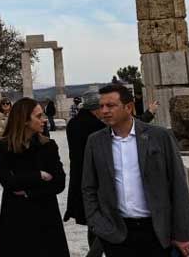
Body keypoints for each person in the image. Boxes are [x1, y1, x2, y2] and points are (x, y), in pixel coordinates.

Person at [82, 84, 189, 257]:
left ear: (129, 107)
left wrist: (181, 234)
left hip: (157, 232)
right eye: (101, 106)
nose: (104, 111)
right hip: (117, 233)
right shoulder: (95, 142)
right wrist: (98, 223)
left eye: (110, 105)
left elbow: (178, 185)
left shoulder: (160, 136)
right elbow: (89, 187)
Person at [0, 98, 69, 256]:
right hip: (16, 217)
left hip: (45, 215)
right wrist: (39, 175)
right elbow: (7, 182)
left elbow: (59, 183)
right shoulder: (3, 146)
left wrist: (29, 192)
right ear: (25, 119)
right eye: (39, 116)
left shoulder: (48, 145)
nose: (43, 120)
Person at [64, 91, 108, 257]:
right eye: (101, 107)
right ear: (95, 109)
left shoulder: (72, 124)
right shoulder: (98, 127)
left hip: (79, 175)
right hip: (97, 179)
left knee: (93, 221)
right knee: (106, 220)